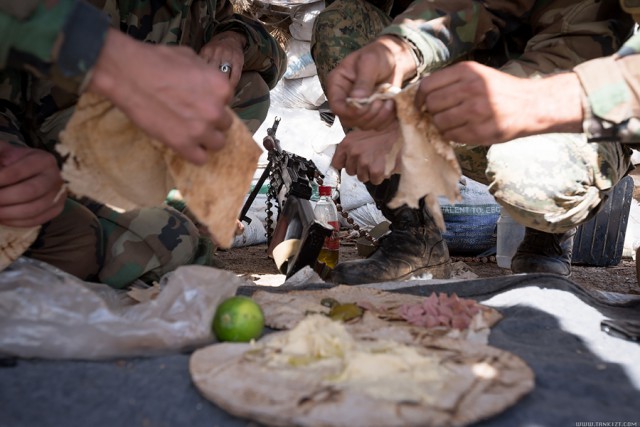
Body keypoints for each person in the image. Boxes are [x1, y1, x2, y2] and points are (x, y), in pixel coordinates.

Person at [312, 0, 635, 284]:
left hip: (590, 111)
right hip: (491, 90)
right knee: (346, 21)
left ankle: (545, 237)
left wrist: (419, 117)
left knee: (533, 173)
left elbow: (574, 44)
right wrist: (405, 47)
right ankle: (416, 239)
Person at [0, 0, 285, 288]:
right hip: (67, 140)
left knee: (251, 88)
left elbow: (274, 59)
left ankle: (189, 212)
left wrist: (233, 39)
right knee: (171, 240)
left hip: (142, 136)